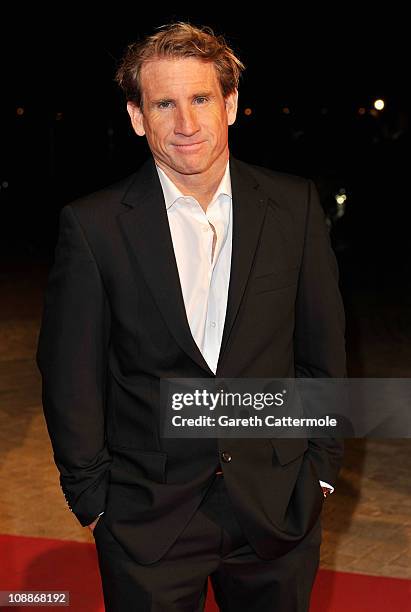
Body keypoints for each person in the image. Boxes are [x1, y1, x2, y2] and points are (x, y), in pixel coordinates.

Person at [36, 22, 346, 611]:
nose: (185, 123)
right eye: (164, 103)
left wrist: (321, 470)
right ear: (137, 116)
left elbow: (322, 350)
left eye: (201, 98)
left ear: (230, 104)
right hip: (146, 517)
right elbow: (69, 373)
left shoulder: (294, 206)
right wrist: (94, 498)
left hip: (277, 511)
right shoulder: (94, 225)